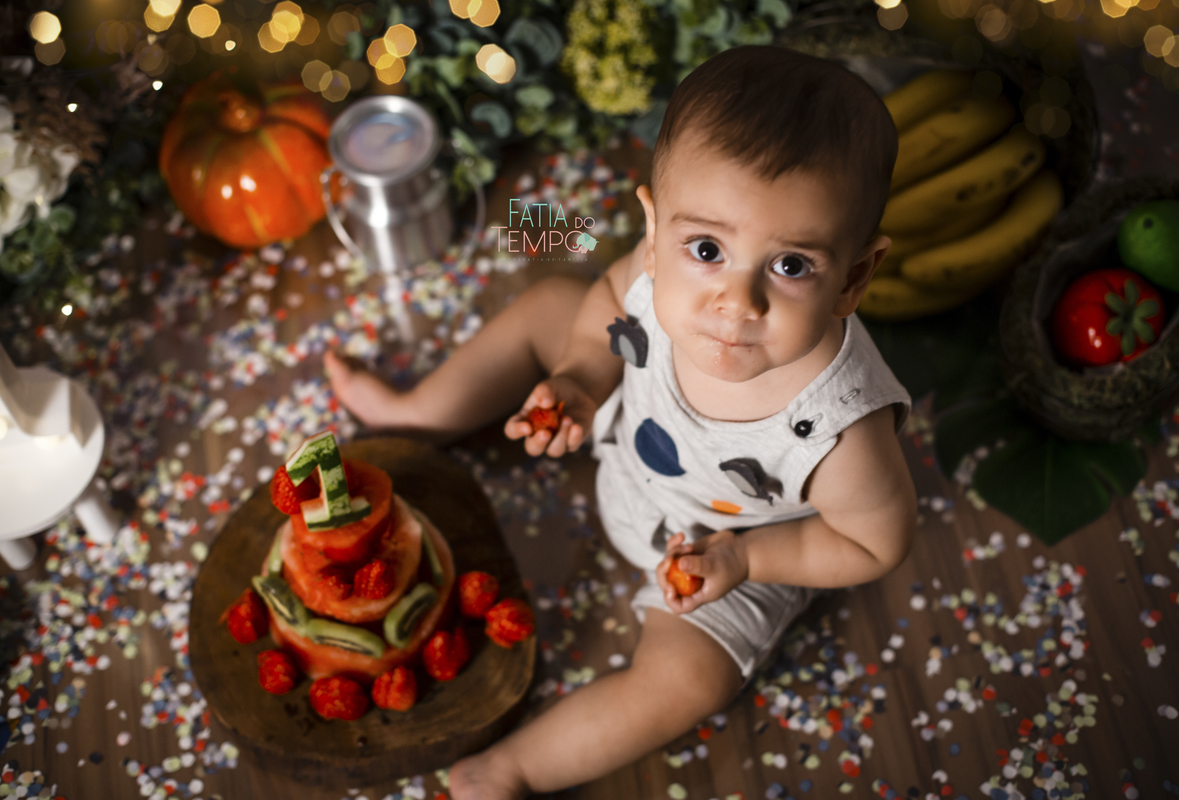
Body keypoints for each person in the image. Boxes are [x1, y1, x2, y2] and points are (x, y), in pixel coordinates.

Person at [324, 44, 918, 799]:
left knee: (690, 678)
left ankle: (511, 769)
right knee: (553, 302)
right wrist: (578, 379)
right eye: (707, 249)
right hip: (632, 432)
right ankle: (414, 414)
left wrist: (746, 562)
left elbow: (876, 542)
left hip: (725, 550)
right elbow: (608, 301)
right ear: (656, 227)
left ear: (855, 276)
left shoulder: (840, 430)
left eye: (791, 266)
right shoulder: (652, 267)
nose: (737, 303)